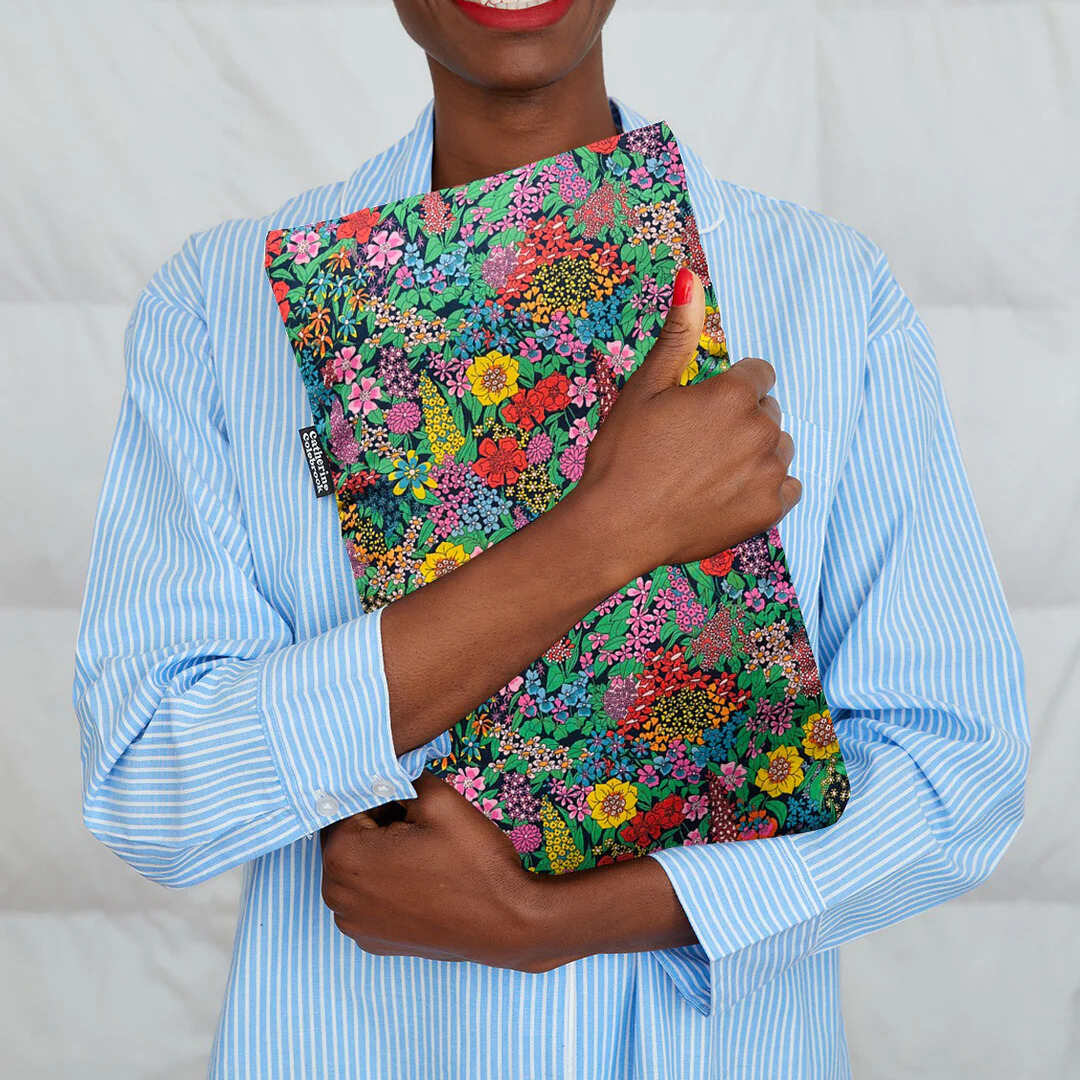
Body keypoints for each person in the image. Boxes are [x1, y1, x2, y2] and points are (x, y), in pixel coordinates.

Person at [71, 1, 1030, 1077]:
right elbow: (154, 787)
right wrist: (606, 535)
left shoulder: (831, 292)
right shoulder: (217, 311)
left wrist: (552, 924)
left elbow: (953, 769)